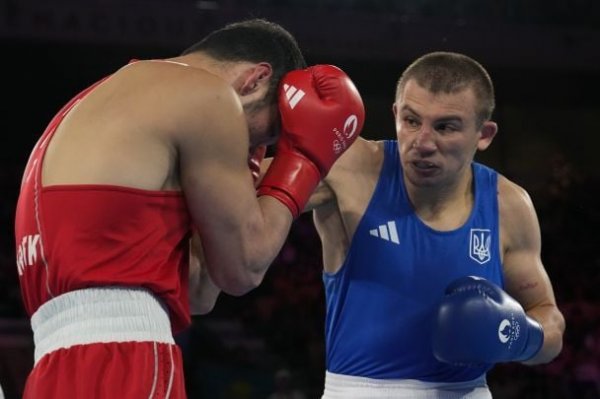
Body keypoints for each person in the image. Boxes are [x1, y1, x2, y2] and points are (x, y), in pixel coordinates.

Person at [13, 18, 365, 399]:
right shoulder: (208, 94)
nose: (253, 146)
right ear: (255, 80)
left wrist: (245, 177)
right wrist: (303, 161)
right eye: (267, 134)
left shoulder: (101, 98)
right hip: (127, 357)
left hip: (53, 366)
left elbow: (198, 292)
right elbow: (243, 267)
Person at [299, 51, 564, 398]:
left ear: (483, 135)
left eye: (445, 127)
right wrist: (274, 137)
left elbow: (550, 322)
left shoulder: (508, 205)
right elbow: (235, 199)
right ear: (395, 114)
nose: (422, 143)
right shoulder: (352, 170)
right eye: (411, 120)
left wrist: (518, 335)